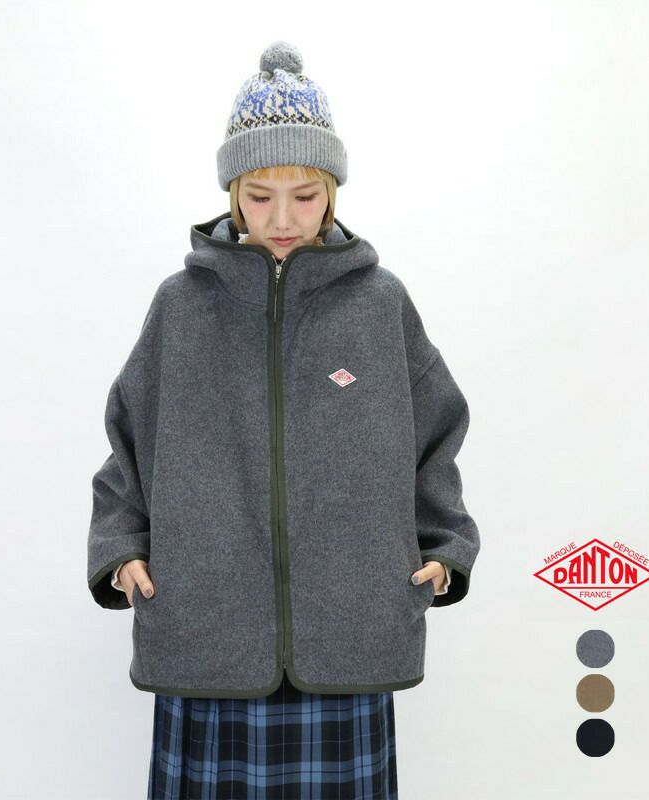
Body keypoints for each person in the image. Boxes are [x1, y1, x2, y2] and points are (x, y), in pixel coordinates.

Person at [87, 41, 481, 800]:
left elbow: (438, 431)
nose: (282, 218)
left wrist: (446, 546)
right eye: (260, 194)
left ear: (331, 191)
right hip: (205, 625)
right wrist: (119, 547)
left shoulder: (379, 304)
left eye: (304, 194)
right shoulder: (181, 306)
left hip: (351, 624)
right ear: (233, 192)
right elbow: (127, 440)